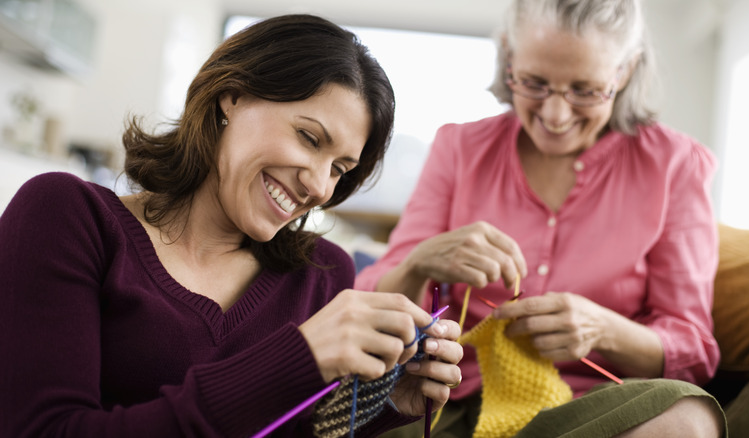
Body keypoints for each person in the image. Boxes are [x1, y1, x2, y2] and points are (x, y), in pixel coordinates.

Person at [0, 14, 463, 438]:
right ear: (232, 97)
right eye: (308, 137)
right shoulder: (65, 216)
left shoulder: (322, 275)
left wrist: (378, 410)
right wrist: (297, 359)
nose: (319, 185)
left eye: (340, 168)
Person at [356, 0, 726, 436]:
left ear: (624, 72)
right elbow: (368, 304)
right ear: (509, 56)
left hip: (594, 410)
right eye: (533, 83)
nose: (555, 115)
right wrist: (420, 263)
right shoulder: (460, 148)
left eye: (585, 90)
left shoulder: (674, 165)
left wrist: (604, 330)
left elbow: (694, 351)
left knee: (690, 420)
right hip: (452, 397)